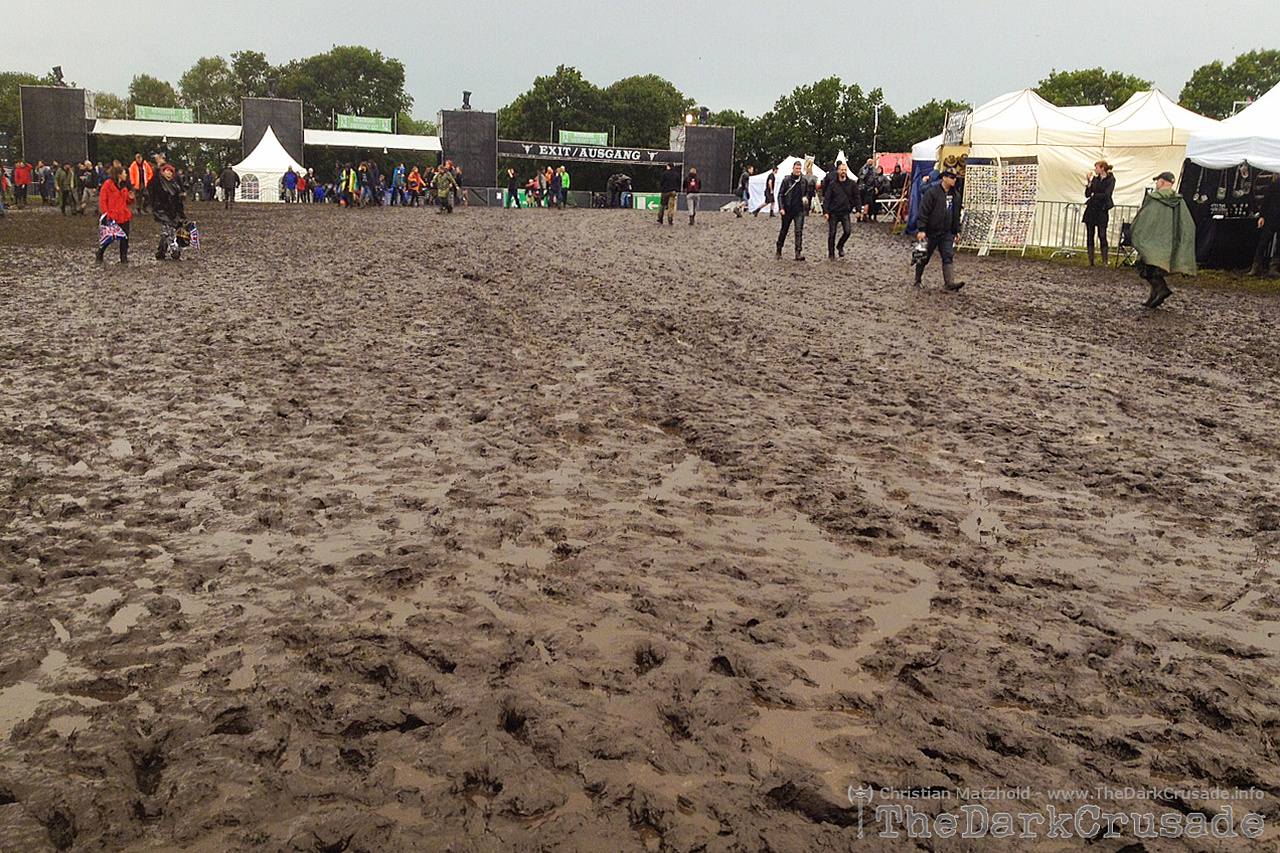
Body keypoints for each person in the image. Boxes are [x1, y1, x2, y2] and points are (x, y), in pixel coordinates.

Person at [1131, 171, 1196, 308]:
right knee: (1155, 268)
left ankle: (1161, 290)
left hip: (1153, 241)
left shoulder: (1154, 199)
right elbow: (1186, 223)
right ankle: (1153, 295)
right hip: (1168, 242)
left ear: (1162, 181)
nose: (1156, 183)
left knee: (1146, 267)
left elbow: (1145, 218)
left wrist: (1138, 232)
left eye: (1157, 181)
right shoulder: (1179, 201)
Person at [913, 168, 965, 291]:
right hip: (931, 232)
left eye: (955, 177)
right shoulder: (932, 193)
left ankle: (949, 283)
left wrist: (956, 230)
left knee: (948, 256)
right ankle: (917, 280)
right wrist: (922, 229)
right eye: (952, 177)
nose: (954, 180)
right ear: (944, 178)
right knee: (923, 256)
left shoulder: (955, 195)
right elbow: (923, 212)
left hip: (946, 232)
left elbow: (956, 215)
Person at [776, 160, 814, 260]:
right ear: (793, 169)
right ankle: (779, 249)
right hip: (788, 210)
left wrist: (806, 199)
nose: (798, 170)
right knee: (784, 230)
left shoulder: (804, 181)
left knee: (798, 231)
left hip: (799, 210)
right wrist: (781, 208)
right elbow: (780, 195)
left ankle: (798, 252)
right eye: (796, 168)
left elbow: (807, 193)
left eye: (799, 169)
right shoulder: (786, 180)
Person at [149, 162, 187, 261]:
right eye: (166, 171)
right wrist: (157, 168)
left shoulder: (175, 185)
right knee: (169, 230)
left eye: (170, 171)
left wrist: (181, 213)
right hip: (161, 211)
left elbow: (178, 201)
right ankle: (175, 251)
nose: (169, 173)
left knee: (166, 232)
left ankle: (161, 252)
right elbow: (152, 183)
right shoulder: (159, 183)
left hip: (173, 212)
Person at [96, 163, 132, 264]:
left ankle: (123, 257)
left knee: (125, 237)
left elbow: (127, 201)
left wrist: (131, 198)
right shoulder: (107, 185)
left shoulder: (124, 186)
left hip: (124, 215)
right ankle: (100, 252)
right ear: (119, 174)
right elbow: (103, 200)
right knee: (109, 237)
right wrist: (105, 214)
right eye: (125, 173)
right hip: (112, 215)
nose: (126, 175)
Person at [822, 161, 859, 259]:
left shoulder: (852, 184)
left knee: (847, 231)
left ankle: (840, 245)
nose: (843, 172)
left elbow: (857, 197)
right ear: (838, 171)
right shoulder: (832, 184)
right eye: (842, 170)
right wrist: (825, 212)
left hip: (845, 212)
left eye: (845, 170)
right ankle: (831, 253)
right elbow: (827, 199)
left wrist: (858, 210)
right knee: (832, 233)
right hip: (833, 212)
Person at [1083, 160, 1116, 266]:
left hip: (1102, 209)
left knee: (1102, 234)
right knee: (1090, 234)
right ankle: (1091, 260)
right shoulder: (1095, 180)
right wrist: (1089, 182)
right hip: (1092, 209)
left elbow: (1107, 194)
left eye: (1097, 168)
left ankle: (1104, 261)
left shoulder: (1110, 179)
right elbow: (1088, 194)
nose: (1095, 170)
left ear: (1102, 168)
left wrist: (1095, 195)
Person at [1249, 177, 1280, 278]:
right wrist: (1262, 216)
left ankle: (1273, 268)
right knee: (1263, 242)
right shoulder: (1274, 185)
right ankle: (1256, 266)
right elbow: (1266, 201)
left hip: (1274, 217)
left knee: (1279, 245)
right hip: (1270, 217)